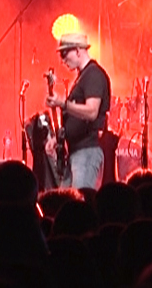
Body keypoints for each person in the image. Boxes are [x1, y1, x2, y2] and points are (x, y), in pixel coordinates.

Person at [45, 32, 111, 191]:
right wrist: (59, 139)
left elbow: (92, 111)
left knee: (80, 199)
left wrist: (63, 103)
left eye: (64, 53)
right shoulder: (82, 77)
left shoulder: (93, 74)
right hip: (76, 153)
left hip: (86, 152)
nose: (63, 60)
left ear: (78, 50)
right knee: (65, 200)